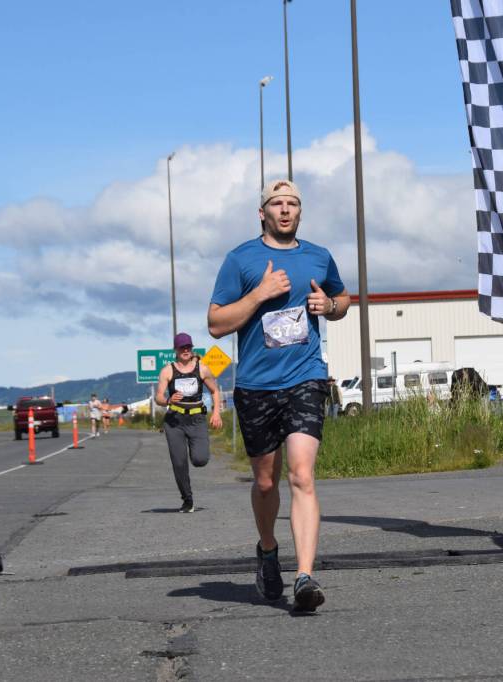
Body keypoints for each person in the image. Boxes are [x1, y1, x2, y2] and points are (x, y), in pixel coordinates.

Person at [208, 179, 350, 612]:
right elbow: (215, 323)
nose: (285, 210)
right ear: (262, 213)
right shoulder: (240, 259)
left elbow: (343, 299)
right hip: (256, 385)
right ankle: (268, 550)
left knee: (302, 474)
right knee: (266, 481)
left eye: (292, 204)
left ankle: (305, 576)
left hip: (306, 377)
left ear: (300, 212)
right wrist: (258, 295)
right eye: (277, 204)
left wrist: (330, 307)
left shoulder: (319, 255)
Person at [155, 332, 222, 513]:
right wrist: (168, 400)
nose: (185, 350)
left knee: (200, 459)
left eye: (188, 347)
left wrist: (216, 413)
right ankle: (187, 499)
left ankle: (196, 453)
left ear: (191, 348)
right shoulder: (168, 370)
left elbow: (215, 391)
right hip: (174, 420)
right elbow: (158, 397)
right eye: (182, 347)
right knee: (179, 462)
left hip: (196, 419)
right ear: (176, 350)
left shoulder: (202, 368)